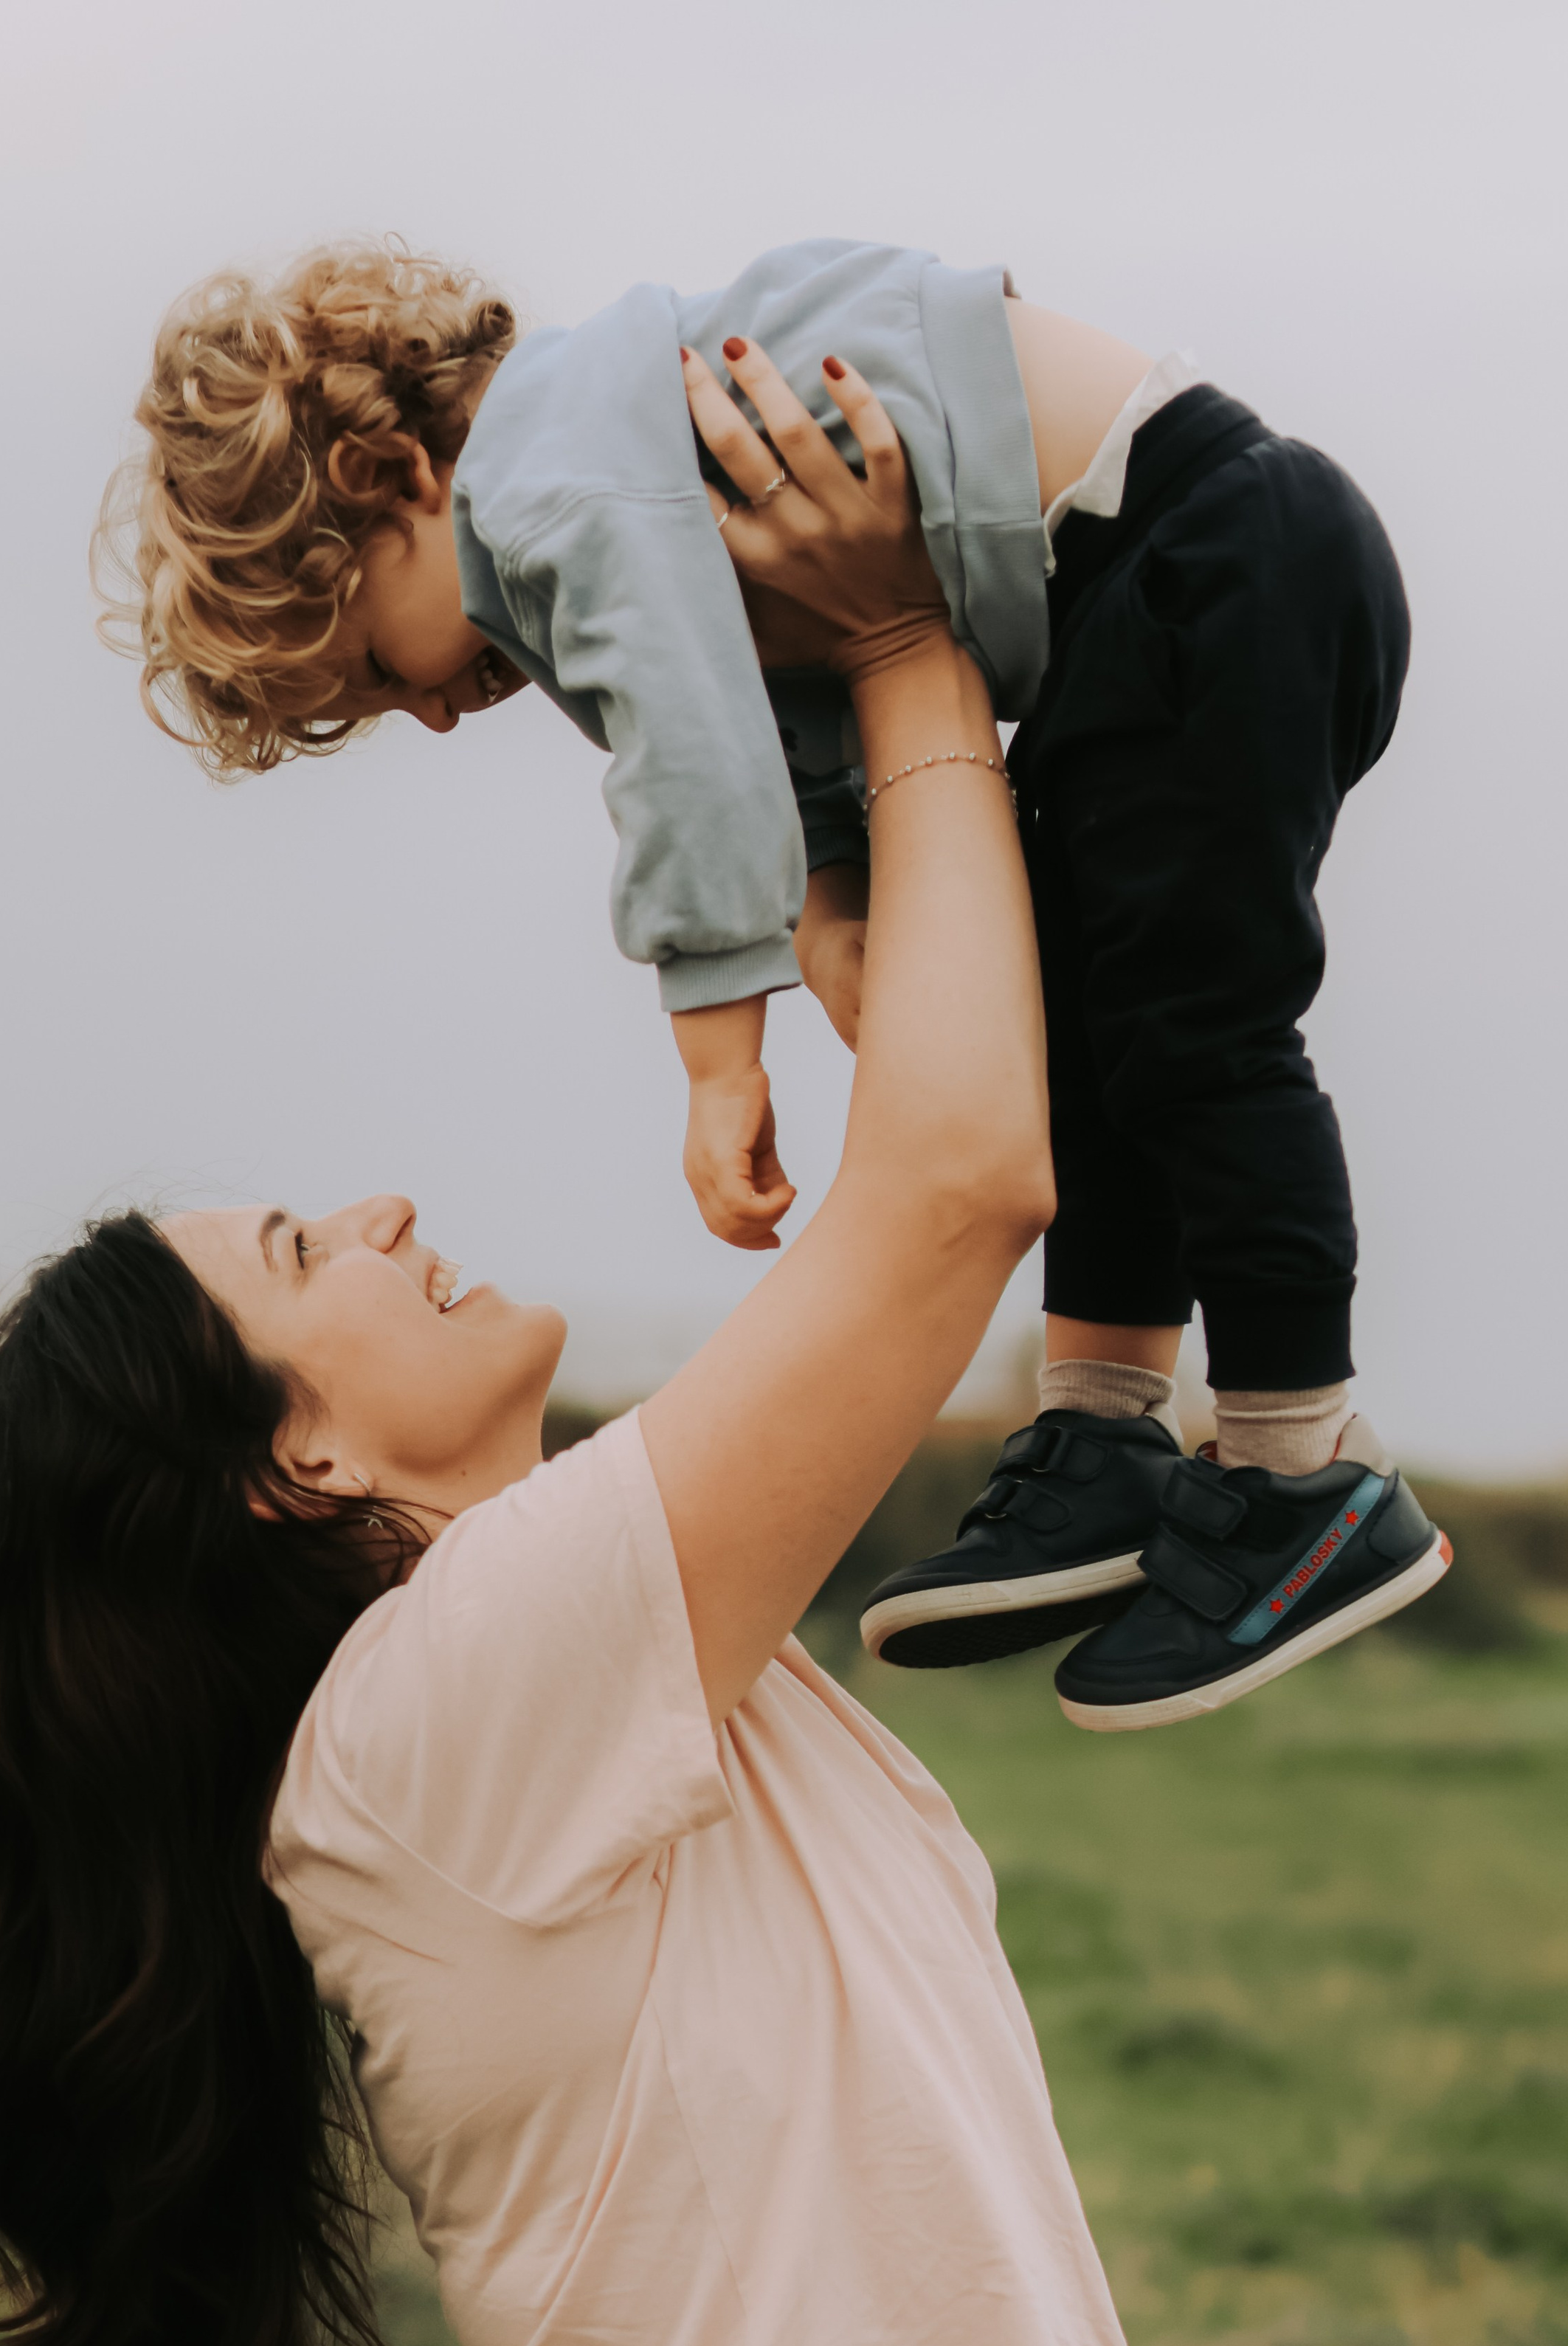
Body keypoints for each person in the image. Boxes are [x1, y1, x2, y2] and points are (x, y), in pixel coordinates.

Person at [0, 358, 1166, 2346]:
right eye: (306, 1249)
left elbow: (955, 1136)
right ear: (293, 1454)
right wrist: (906, 636)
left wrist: (837, 818)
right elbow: (949, 1187)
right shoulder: (444, 1709)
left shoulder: (551, 1660)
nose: (380, 1207)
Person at [100, 232, 1450, 1727]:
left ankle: (1302, 1464)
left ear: (386, 482)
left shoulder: (541, 481)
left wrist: (716, 1053)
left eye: (376, 670)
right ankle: (1104, 1436)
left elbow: (691, 746)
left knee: (1195, 1027)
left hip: (1207, 544)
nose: (428, 715)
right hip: (1140, 595)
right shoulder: (590, 474)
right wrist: (832, 911)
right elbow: (779, 701)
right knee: (1094, 1037)